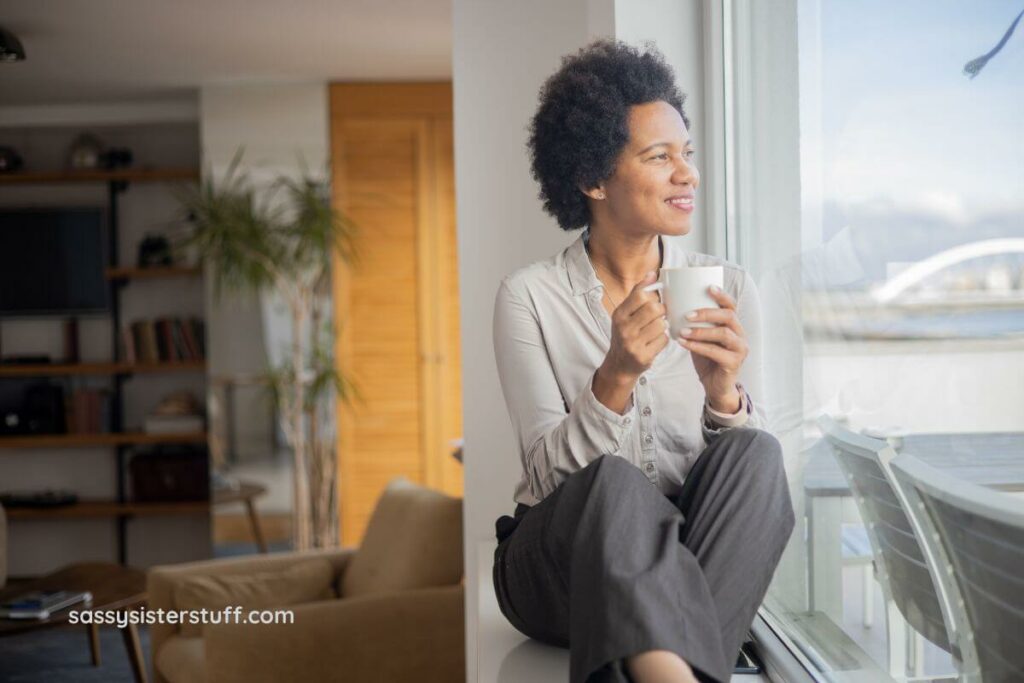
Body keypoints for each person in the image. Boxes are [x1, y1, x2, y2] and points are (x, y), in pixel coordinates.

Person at [491, 40, 795, 683]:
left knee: (758, 452)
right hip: (556, 567)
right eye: (660, 157)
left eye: (686, 154)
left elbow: (754, 496)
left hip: (686, 557)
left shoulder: (729, 288)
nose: (687, 174)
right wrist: (615, 378)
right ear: (592, 178)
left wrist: (723, 399)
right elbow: (548, 482)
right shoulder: (530, 297)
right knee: (615, 483)